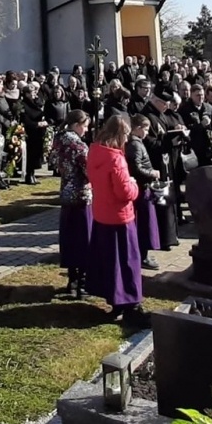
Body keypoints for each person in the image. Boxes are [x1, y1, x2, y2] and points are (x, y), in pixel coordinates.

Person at [84, 114, 143, 322]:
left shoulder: (94, 152)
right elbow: (124, 192)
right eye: (125, 135)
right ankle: (129, 302)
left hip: (101, 214)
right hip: (120, 217)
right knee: (126, 262)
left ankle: (113, 301)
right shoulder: (115, 158)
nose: (127, 140)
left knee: (108, 262)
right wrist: (134, 184)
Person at [52, 109, 93, 299]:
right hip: (82, 195)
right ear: (77, 125)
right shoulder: (78, 145)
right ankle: (82, 284)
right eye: (85, 126)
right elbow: (88, 171)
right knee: (84, 239)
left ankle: (72, 280)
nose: (86, 130)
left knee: (69, 238)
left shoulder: (59, 139)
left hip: (66, 193)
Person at [126, 114, 162, 272]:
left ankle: (143, 254)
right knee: (144, 224)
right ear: (138, 128)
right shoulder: (134, 145)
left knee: (146, 223)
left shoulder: (136, 143)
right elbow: (136, 167)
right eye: (146, 128)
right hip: (142, 188)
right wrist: (152, 173)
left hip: (142, 187)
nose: (147, 132)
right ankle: (143, 255)